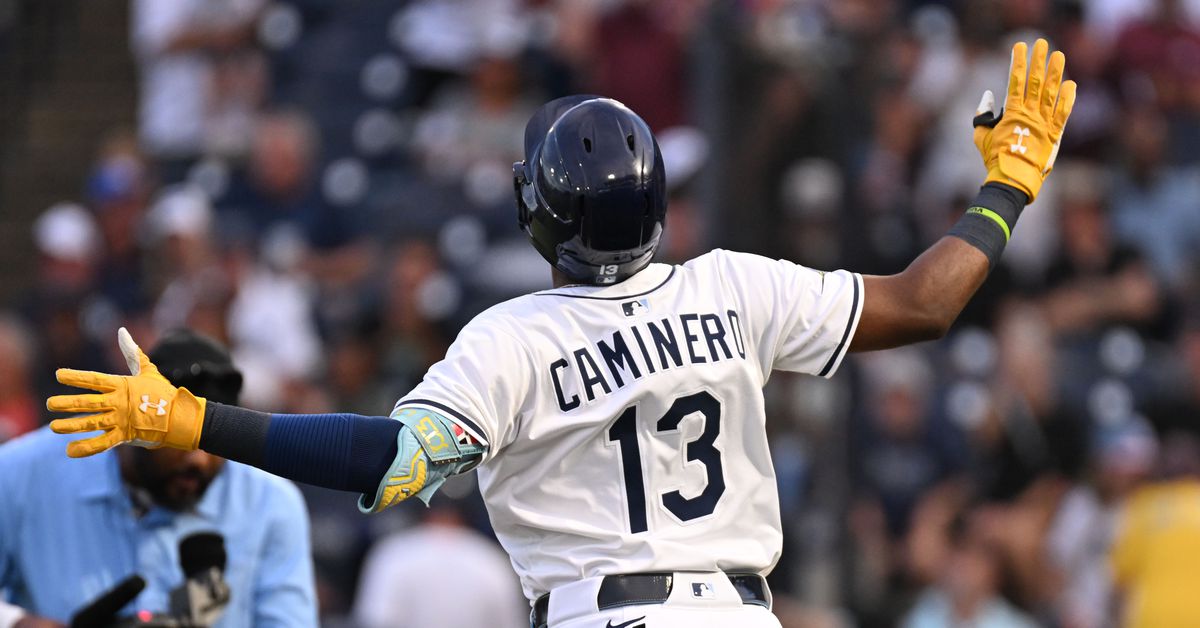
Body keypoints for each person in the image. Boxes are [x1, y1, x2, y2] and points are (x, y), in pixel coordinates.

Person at [46, 40, 1075, 628]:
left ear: (538, 211)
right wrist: (1006, 185)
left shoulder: (513, 339)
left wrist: (195, 419)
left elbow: (392, 464)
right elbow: (927, 301)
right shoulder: (739, 286)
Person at [2, 330, 317, 627]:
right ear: (135, 427)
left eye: (217, 446)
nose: (198, 459)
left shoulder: (270, 501)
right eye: (178, 442)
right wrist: (19, 622)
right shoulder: (21, 473)